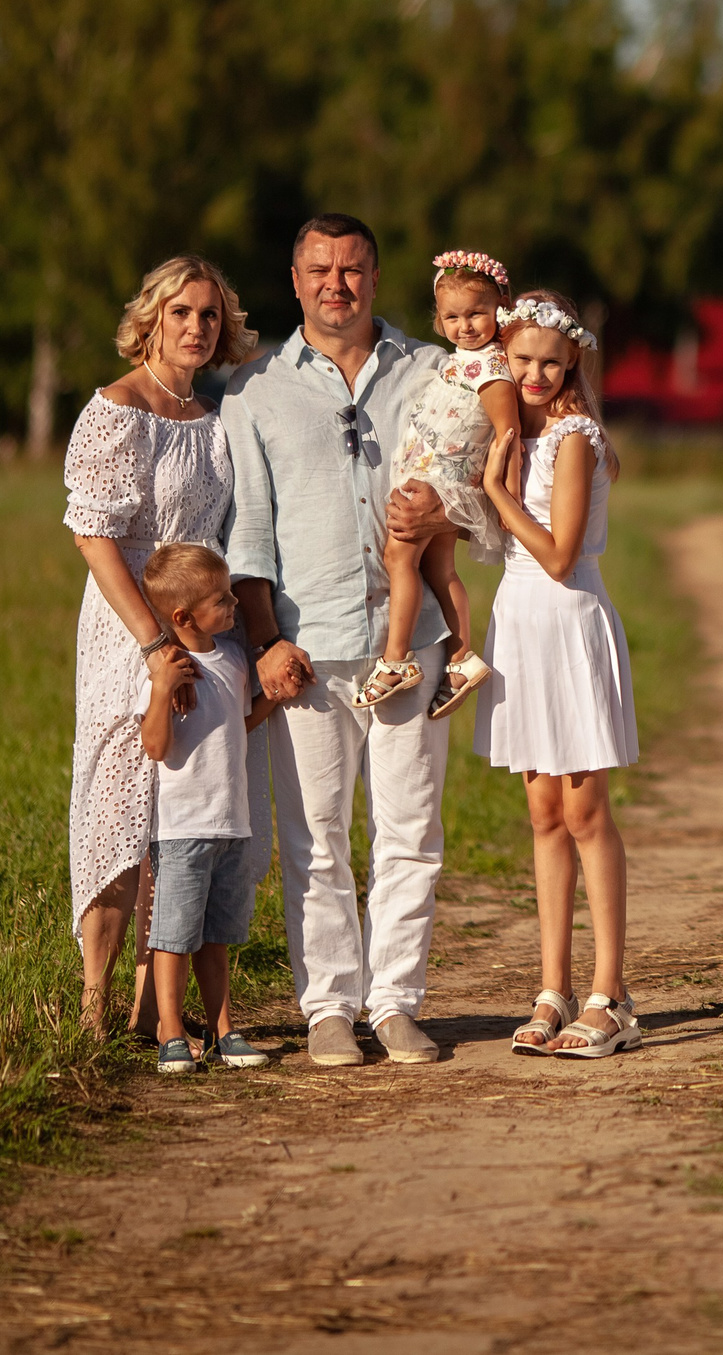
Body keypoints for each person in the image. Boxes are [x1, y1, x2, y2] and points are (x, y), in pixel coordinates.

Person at [220, 213, 462, 1068]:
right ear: (294, 280)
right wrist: (264, 642)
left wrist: (446, 509)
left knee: (410, 827)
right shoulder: (255, 392)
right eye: (319, 268)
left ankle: (395, 1001)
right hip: (309, 645)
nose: (337, 283)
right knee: (317, 834)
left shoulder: (432, 372)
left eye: (352, 268)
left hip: (413, 639)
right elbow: (247, 535)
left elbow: (473, 478)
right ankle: (328, 1004)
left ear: (376, 274)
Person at [63, 254, 254, 1035]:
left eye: (209, 315)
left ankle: (157, 1004)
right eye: (181, 312)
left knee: (181, 810)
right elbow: (94, 535)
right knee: (119, 805)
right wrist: (150, 643)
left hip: (203, 632)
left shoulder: (214, 419)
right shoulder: (115, 409)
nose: (196, 328)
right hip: (129, 627)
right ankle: (93, 1006)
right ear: (151, 318)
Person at [476, 292, 643, 1060]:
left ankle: (610, 992)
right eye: (522, 359)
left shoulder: (574, 435)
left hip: (569, 622)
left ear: (573, 357)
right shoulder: (516, 431)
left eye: (550, 359)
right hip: (520, 627)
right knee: (542, 812)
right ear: (503, 358)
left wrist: (498, 492)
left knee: (584, 813)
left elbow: (559, 554)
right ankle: (553, 985)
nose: (535, 373)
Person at [354, 249, 522, 718]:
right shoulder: (460, 359)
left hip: (442, 480)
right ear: (439, 318)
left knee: (398, 555)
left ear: (499, 310)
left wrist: (510, 502)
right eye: (453, 316)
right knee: (438, 569)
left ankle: (395, 659)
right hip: (432, 475)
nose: (465, 325)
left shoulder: (490, 369)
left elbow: (509, 438)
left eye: (476, 313)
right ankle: (462, 656)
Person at [133, 545, 279, 1073]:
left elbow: (235, 727)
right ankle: (169, 1031)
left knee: (216, 935)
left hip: (231, 823)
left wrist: (273, 697)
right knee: (174, 935)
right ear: (183, 617)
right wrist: (161, 690)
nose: (235, 602)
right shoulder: (168, 668)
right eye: (222, 599)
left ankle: (224, 1029)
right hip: (181, 827)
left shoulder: (234, 658)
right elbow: (154, 745)